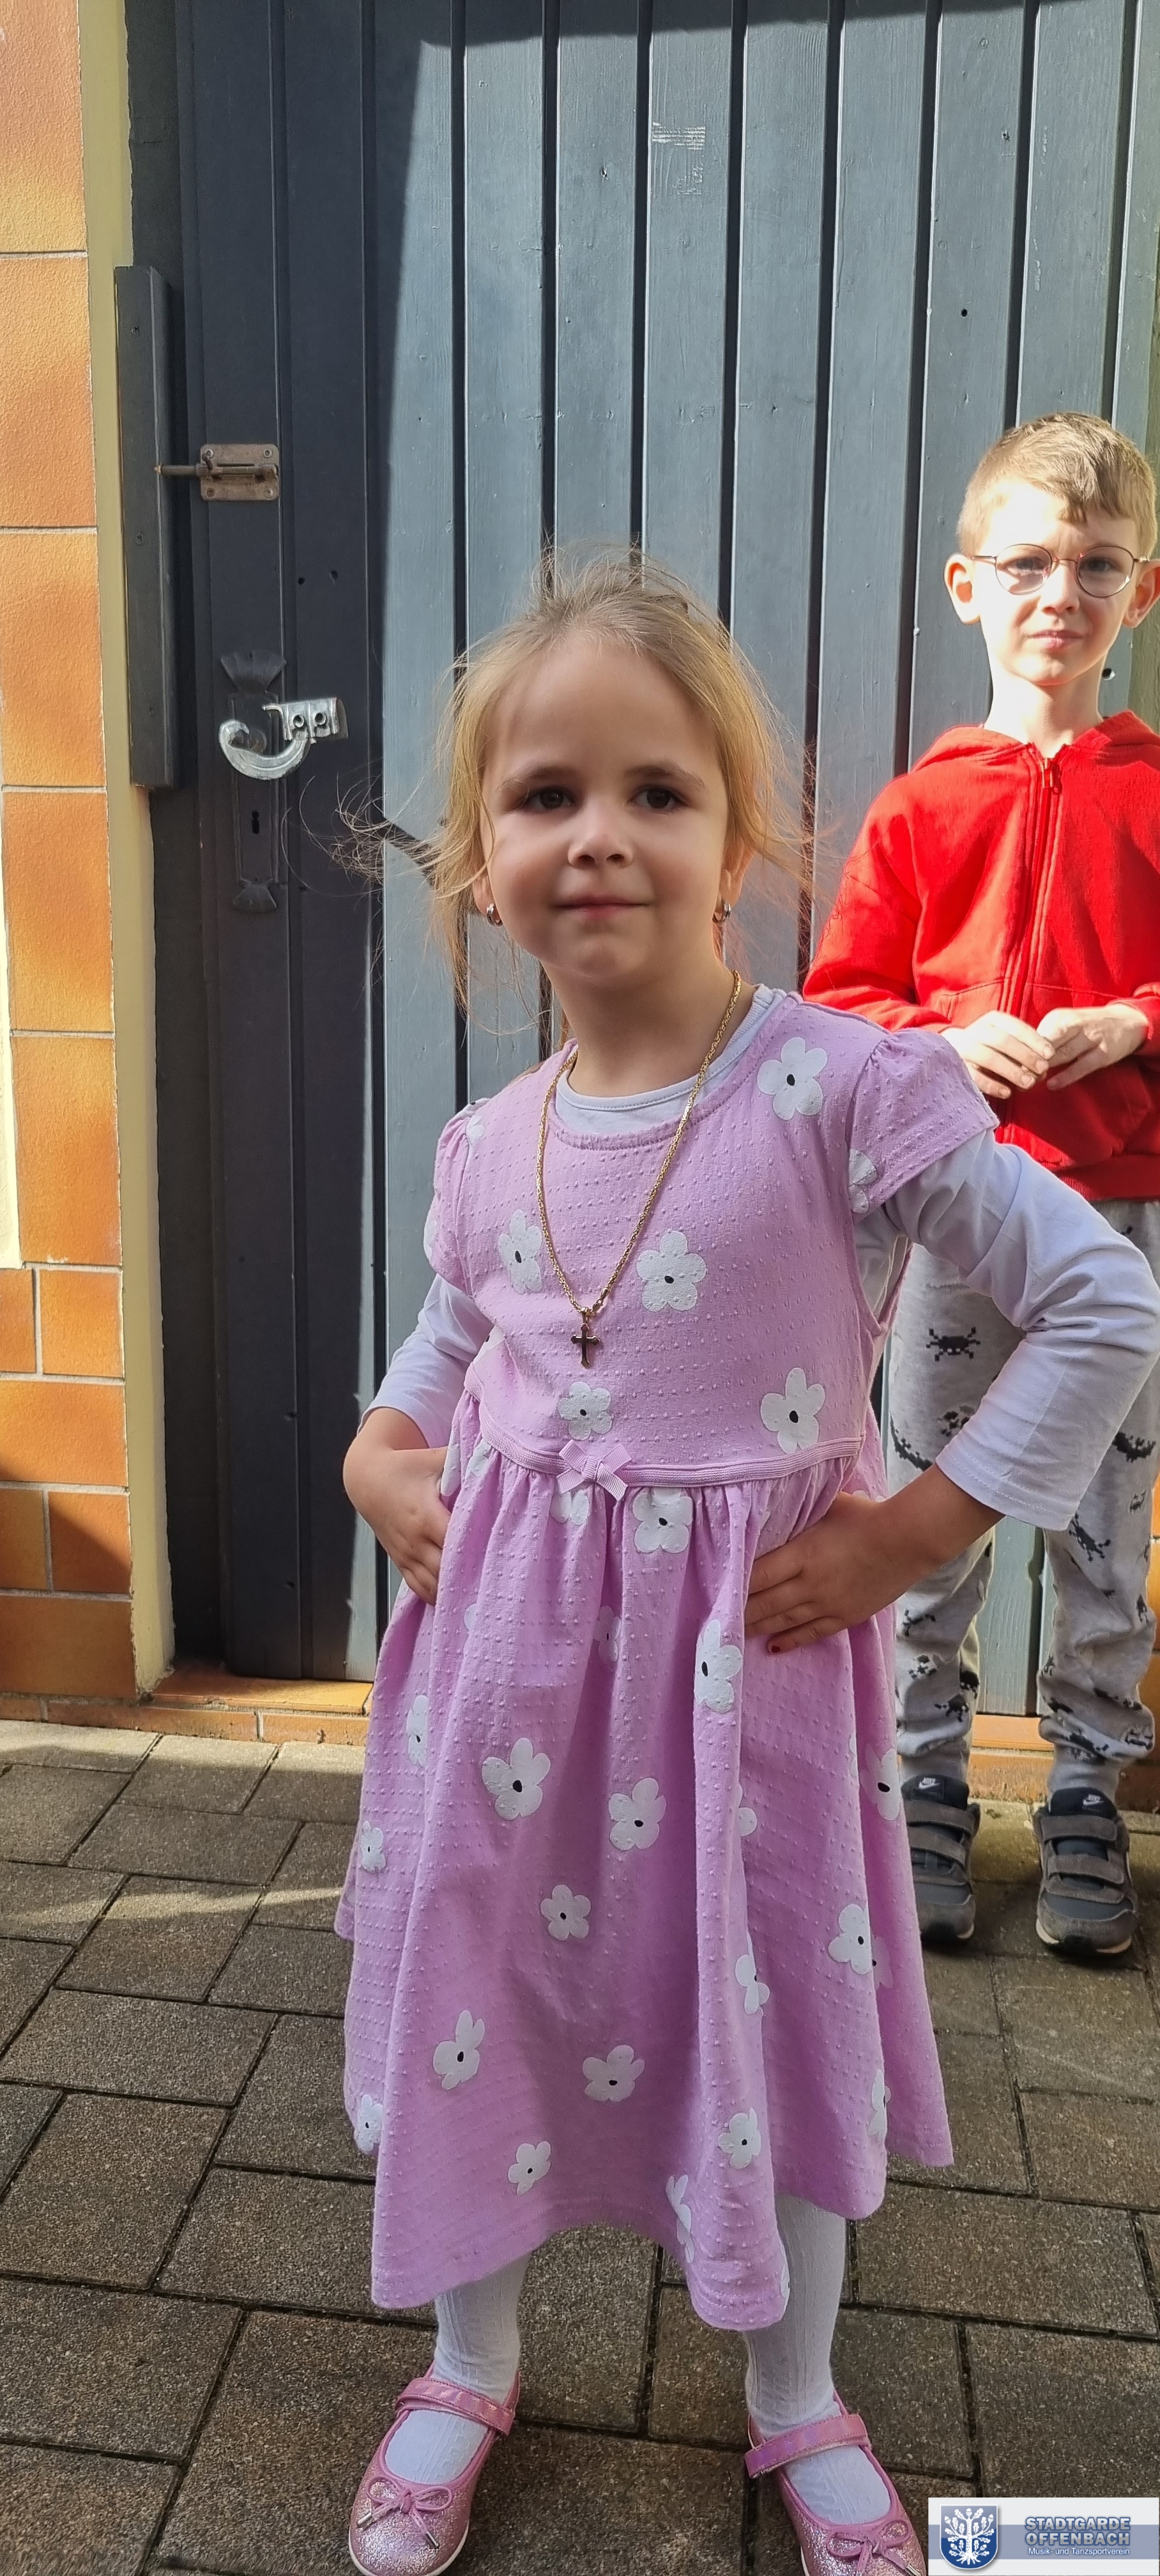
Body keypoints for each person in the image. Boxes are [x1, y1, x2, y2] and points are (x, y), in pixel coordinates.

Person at [337, 553, 1160, 2576]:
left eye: (656, 791)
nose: (598, 835)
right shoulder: (487, 1140)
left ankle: (799, 2399)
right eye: (545, 796)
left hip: (749, 1680)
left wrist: (920, 1527)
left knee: (771, 2007)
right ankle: (465, 2365)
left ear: (740, 840)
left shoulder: (842, 1090)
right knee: (483, 1995)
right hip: (505, 1680)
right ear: (480, 864)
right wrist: (376, 1450)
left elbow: (1099, 1302)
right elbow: (453, 1334)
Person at [805, 411, 1160, 1955]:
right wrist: (948, 1042)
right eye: (1024, 565)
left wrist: (1127, 1021)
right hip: (954, 1218)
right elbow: (838, 1007)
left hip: (1121, 1215)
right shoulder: (917, 807)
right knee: (928, 1509)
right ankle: (919, 1785)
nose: (1057, 595)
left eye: (1095, 566)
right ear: (965, 587)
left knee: (1106, 1523)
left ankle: (1084, 1790)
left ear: (1138, 592)